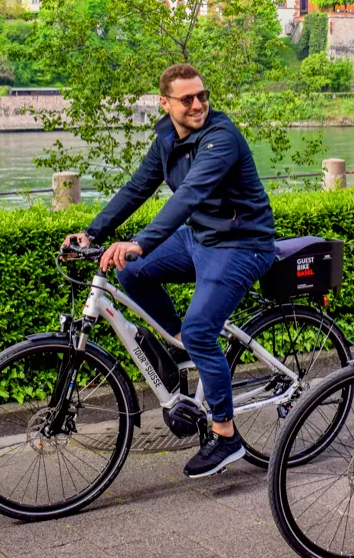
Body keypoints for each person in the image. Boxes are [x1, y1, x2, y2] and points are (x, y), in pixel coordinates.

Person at [62, 63, 276, 478]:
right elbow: (137, 187)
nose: (198, 104)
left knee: (200, 330)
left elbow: (190, 196)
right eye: (187, 99)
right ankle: (177, 347)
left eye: (203, 96)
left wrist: (141, 240)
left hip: (242, 243)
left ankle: (226, 434)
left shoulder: (221, 137)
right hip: (201, 238)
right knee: (132, 270)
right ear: (165, 103)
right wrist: (92, 233)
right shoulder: (165, 136)